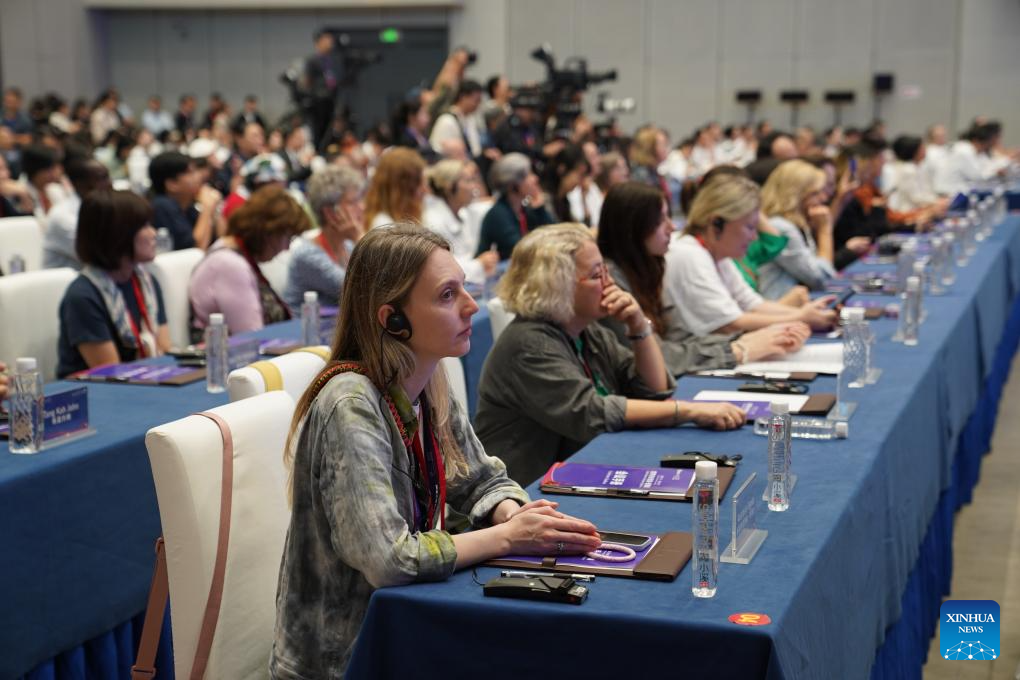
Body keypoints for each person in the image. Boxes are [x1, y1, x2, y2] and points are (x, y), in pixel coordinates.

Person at [270, 224, 601, 677]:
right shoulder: (351, 404)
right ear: (392, 319)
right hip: (345, 660)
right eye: (447, 295)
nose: (471, 306)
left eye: (463, 287)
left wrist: (512, 512)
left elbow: (482, 478)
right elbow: (389, 560)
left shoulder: (425, 383)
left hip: (408, 629)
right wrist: (508, 537)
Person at [474, 223, 746, 485]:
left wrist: (639, 327)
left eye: (606, 271)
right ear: (556, 287)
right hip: (526, 496)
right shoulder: (529, 345)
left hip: (577, 474)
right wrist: (689, 410)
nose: (610, 283)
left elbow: (653, 389)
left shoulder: (586, 330)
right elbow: (594, 414)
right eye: (597, 275)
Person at [596, 182, 807, 376]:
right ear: (634, 227)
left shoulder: (646, 268)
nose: (672, 227)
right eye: (661, 220)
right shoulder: (612, 282)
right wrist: (738, 349)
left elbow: (677, 339)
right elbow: (661, 355)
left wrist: (741, 341)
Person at [664, 174, 837, 336]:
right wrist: (800, 317)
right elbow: (729, 324)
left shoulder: (715, 253)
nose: (754, 237)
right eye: (749, 227)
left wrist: (807, 313)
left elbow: (751, 304)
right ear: (717, 223)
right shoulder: (689, 255)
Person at [56, 190, 169, 378]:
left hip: (142, 382)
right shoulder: (83, 296)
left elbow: (164, 352)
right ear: (118, 235)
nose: (153, 233)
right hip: (96, 390)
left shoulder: (148, 283)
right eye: (144, 226)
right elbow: (111, 374)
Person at [189, 185, 310, 339]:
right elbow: (253, 338)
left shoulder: (233, 253)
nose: (287, 248)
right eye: (288, 237)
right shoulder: (229, 265)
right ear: (268, 233)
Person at [283, 164, 365, 311]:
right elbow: (361, 291)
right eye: (353, 202)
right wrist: (360, 238)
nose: (362, 207)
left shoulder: (347, 245)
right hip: (305, 325)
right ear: (330, 213)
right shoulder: (308, 255)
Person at [756, 160, 838, 299]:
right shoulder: (780, 227)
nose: (823, 198)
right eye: (815, 193)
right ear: (795, 195)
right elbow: (821, 278)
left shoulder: (795, 224)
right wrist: (825, 230)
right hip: (780, 306)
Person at [422, 159, 498, 285]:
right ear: (449, 186)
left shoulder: (463, 212)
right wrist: (479, 264)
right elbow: (441, 268)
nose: (474, 187)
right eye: (468, 181)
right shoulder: (432, 222)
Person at [475, 152, 556, 260]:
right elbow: (522, 250)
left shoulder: (524, 209)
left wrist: (539, 209)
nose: (535, 179)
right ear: (513, 184)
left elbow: (555, 234)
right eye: (528, 175)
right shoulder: (498, 214)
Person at [43, 158, 112, 270]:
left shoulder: (104, 205)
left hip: (94, 275)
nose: (110, 183)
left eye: (108, 177)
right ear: (79, 184)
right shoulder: (62, 216)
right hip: (64, 280)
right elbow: (98, 256)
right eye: (102, 178)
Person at [149, 151, 223, 250]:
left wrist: (214, 209)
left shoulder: (188, 206)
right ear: (172, 184)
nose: (199, 176)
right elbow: (196, 249)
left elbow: (222, 239)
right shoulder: (162, 206)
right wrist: (207, 207)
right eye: (190, 173)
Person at [363, 147, 427, 230]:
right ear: (402, 189)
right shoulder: (384, 225)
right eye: (418, 184)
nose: (425, 190)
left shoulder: (409, 215)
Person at [884, 135, 950, 215]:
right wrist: (937, 201)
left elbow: (926, 191)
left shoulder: (918, 167)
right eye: (922, 148)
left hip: (919, 208)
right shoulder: (908, 169)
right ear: (914, 151)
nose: (925, 150)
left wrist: (938, 200)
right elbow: (916, 198)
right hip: (909, 211)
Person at [304, 29, 342, 151]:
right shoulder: (312, 60)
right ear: (318, 42)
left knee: (330, 129)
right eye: (327, 40)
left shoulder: (333, 60)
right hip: (318, 101)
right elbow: (308, 82)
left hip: (331, 99)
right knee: (318, 130)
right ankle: (318, 150)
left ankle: (326, 149)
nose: (330, 42)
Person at [429, 79, 484, 159]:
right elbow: (438, 153)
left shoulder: (470, 120)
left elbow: (475, 151)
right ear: (463, 97)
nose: (478, 105)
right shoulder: (446, 121)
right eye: (476, 100)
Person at [19, 145, 68, 218]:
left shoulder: (55, 189)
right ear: (35, 169)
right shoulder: (20, 193)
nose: (57, 172)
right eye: (50, 169)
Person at [391, 92, 438, 163]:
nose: (428, 118)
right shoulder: (405, 140)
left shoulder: (422, 136)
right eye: (423, 114)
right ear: (412, 117)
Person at [628, 126, 671, 197]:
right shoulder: (642, 175)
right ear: (649, 148)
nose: (667, 148)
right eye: (664, 144)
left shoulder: (652, 170)